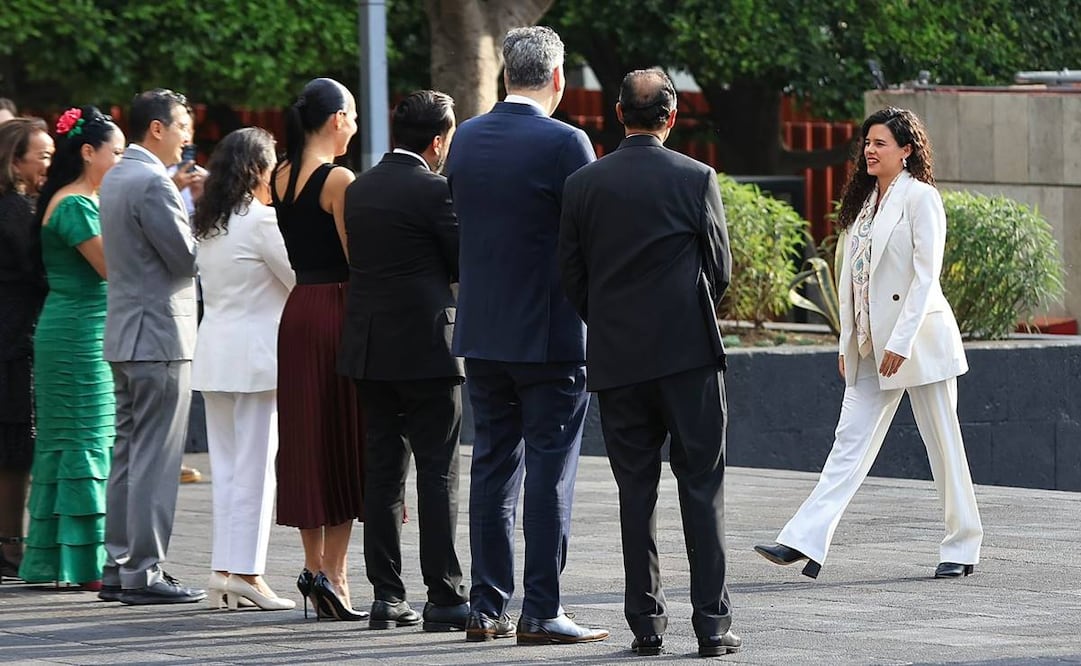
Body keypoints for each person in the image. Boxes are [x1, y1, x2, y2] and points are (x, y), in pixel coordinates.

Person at [754, 106, 983, 580]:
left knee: (943, 445)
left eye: (880, 143)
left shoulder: (922, 199)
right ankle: (803, 539)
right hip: (869, 347)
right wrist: (847, 342)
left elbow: (925, 277)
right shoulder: (862, 206)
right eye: (867, 142)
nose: (869, 150)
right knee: (848, 444)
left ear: (907, 150)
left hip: (919, 343)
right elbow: (851, 281)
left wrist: (901, 341)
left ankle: (961, 546)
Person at [559, 69, 740, 658]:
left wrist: (611, 323)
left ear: (618, 113)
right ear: (671, 116)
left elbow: (573, 277)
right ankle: (712, 628)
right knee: (702, 488)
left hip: (618, 360)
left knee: (635, 494)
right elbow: (721, 271)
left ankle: (646, 626)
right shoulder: (696, 177)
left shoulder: (584, 183)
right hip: (689, 356)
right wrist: (687, 313)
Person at [444, 26, 607, 645]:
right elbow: (587, 236)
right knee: (549, 471)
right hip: (552, 335)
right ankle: (542, 609)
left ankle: (487, 608)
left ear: (505, 74)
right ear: (558, 78)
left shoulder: (466, 139)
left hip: (483, 332)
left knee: (491, 469)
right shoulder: (568, 142)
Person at [339, 90, 468, 632]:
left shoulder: (360, 189)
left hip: (370, 349)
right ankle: (444, 595)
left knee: (383, 474)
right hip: (427, 349)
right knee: (437, 472)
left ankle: (386, 597)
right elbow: (460, 260)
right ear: (437, 141)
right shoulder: (436, 191)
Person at [98, 89, 205, 605]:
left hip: (125, 331)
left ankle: (119, 566)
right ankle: (144, 570)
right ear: (157, 128)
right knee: (156, 458)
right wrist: (209, 222)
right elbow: (185, 259)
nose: (189, 134)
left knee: (127, 454)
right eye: (183, 124)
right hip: (160, 333)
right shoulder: (152, 182)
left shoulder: (118, 174)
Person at [271, 77, 366, 621]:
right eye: (351, 115)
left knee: (306, 440)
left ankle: (313, 570)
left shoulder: (279, 175)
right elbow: (358, 259)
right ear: (335, 119)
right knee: (343, 437)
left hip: (298, 309)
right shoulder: (339, 180)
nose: (353, 125)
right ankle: (337, 573)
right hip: (337, 308)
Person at [18, 107, 123, 590]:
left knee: (79, 442)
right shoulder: (77, 205)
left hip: (80, 329)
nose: (120, 161)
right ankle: (84, 566)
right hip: (77, 333)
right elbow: (112, 270)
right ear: (87, 152)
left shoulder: (78, 200)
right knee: (83, 441)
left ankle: (65, 562)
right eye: (116, 153)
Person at [191, 128, 295, 611]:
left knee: (230, 469)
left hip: (215, 353)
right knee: (255, 469)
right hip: (256, 357)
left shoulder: (209, 223)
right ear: (258, 169)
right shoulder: (261, 222)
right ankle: (246, 571)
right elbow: (297, 280)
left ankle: (223, 571)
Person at [0, 117, 53, 581]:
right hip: (15, 339)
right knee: (14, 449)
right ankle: (11, 546)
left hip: (13, 335)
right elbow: (38, 272)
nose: (48, 164)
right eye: (43, 156)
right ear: (15, 161)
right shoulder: (16, 210)